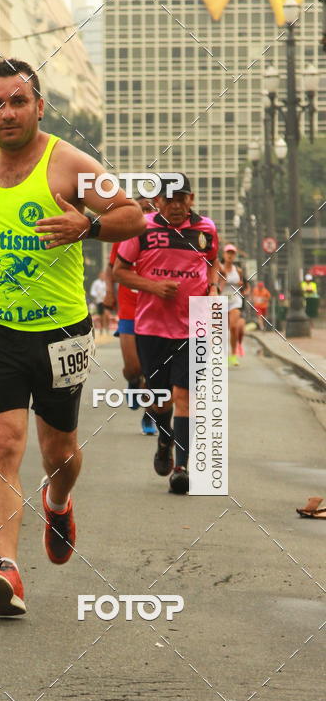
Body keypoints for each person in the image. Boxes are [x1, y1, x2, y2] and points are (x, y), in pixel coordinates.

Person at [0, 57, 145, 616]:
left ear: (39, 107)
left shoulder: (68, 162)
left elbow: (133, 215)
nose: (7, 113)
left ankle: (59, 499)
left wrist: (88, 225)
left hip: (62, 333)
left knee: (59, 451)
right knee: (0, 445)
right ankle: (7, 570)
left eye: (18, 101)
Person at [112, 174, 220, 495]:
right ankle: (164, 439)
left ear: (191, 199)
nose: (175, 205)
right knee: (161, 400)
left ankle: (181, 468)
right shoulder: (141, 228)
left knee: (185, 396)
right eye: (168, 199)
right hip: (152, 327)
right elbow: (120, 271)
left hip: (193, 327)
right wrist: (154, 286)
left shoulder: (206, 230)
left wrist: (212, 287)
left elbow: (211, 262)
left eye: (181, 198)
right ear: (157, 201)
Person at [105, 195, 157, 435]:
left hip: (154, 311)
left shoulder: (163, 239)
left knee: (153, 371)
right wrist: (109, 293)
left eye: (150, 209)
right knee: (133, 368)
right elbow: (111, 269)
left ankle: (149, 416)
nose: (146, 213)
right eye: (142, 209)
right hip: (128, 309)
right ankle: (133, 382)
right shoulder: (125, 236)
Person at [219, 244, 245, 366]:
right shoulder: (219, 268)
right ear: (224, 254)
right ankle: (223, 355)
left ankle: (233, 355)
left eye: (232, 253)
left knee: (234, 327)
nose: (230, 255)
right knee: (222, 330)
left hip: (235, 301)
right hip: (221, 301)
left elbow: (243, 285)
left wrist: (241, 284)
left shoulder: (238, 270)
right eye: (228, 253)